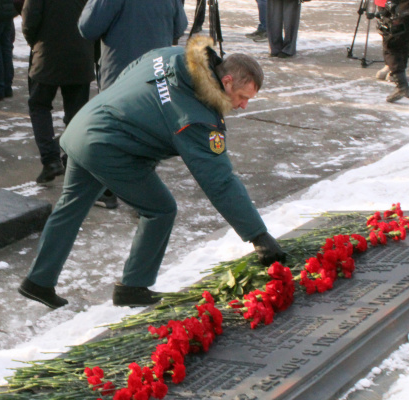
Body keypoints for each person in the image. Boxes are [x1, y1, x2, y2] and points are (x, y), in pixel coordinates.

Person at [18, 37, 286, 309]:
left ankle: (38, 281)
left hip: (86, 125)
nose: (243, 105)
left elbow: (130, 70)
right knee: (160, 209)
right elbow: (220, 181)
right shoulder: (196, 117)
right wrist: (258, 236)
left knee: (71, 206)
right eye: (242, 97)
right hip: (109, 146)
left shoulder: (175, 56)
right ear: (226, 81)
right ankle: (133, 287)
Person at [78, 0, 187, 209]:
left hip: (120, 75)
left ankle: (108, 191)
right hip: (154, 74)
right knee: (146, 133)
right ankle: (143, 195)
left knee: (112, 133)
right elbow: (179, 26)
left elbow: (88, 28)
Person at [21, 0, 93, 184]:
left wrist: (35, 43)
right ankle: (71, 159)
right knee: (76, 114)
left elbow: (29, 19)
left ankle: (51, 160)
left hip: (47, 55)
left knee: (39, 106)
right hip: (80, 55)